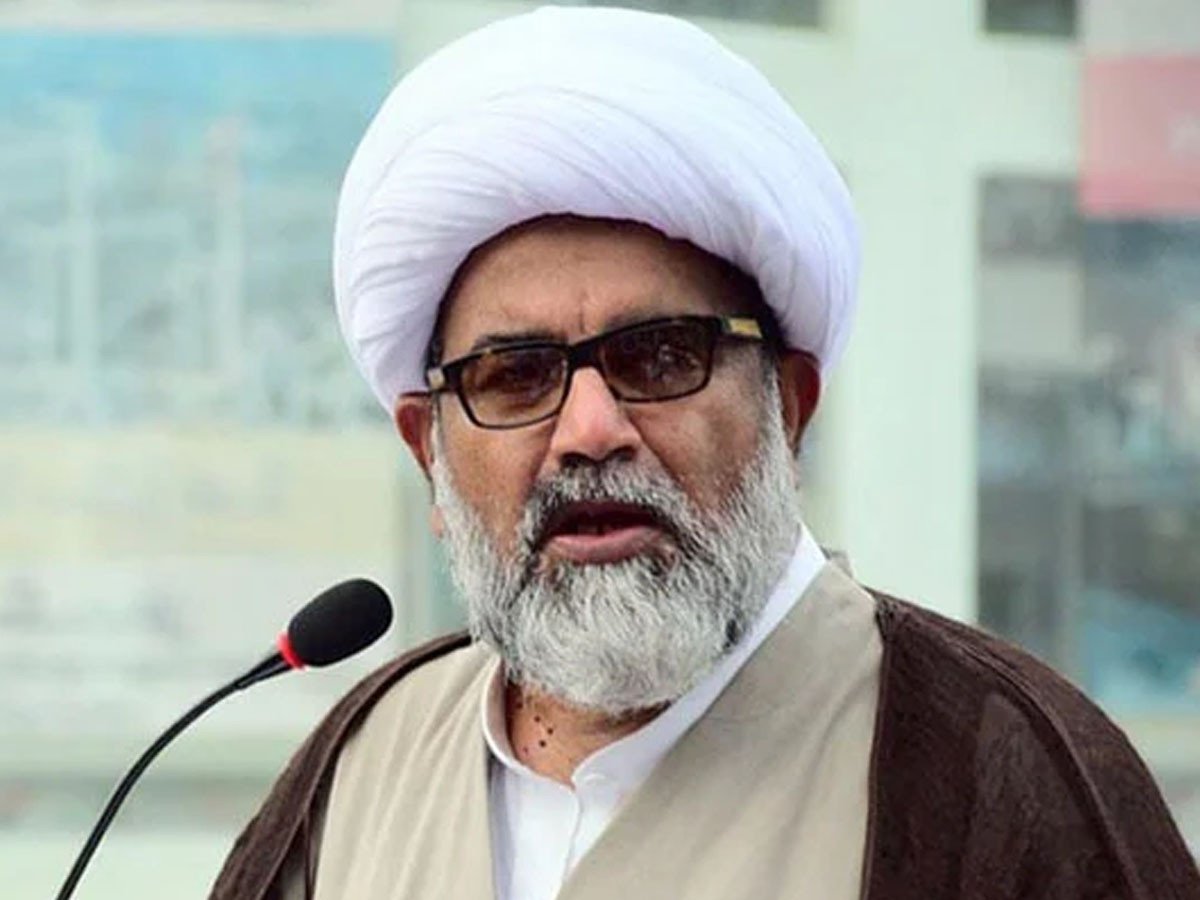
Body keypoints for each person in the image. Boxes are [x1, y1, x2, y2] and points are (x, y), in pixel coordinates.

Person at [211, 7, 1200, 899]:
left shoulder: (999, 768)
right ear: (429, 453)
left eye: (661, 358)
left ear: (789, 408)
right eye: (515, 376)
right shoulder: (364, 763)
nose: (589, 432)